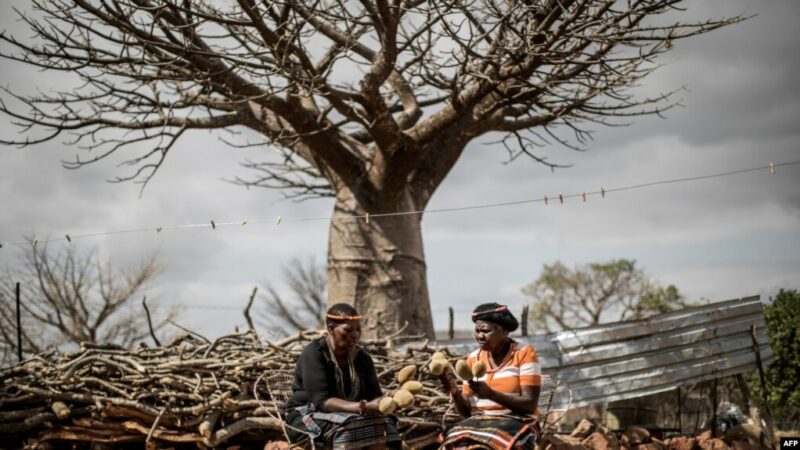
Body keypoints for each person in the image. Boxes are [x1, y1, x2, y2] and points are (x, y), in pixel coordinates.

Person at [284, 303, 401, 449]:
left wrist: (388, 398)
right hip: (307, 414)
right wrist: (362, 407)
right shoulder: (315, 353)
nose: (355, 335)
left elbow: (374, 395)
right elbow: (322, 402)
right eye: (348, 330)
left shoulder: (363, 357)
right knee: (352, 425)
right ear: (331, 329)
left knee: (382, 422)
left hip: (349, 414)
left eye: (358, 329)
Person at [440, 303, 542, 450]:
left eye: (486, 331)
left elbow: (530, 405)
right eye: (477, 331)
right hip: (478, 423)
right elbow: (467, 413)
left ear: (504, 331)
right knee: (454, 440)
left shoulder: (523, 353)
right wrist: (455, 392)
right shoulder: (473, 358)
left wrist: (491, 394)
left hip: (517, 421)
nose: (480, 336)